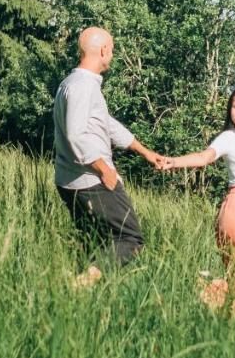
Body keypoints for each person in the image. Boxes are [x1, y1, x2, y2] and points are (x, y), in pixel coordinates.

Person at [55, 27, 164, 264]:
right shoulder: (83, 86)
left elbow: (106, 124)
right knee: (130, 240)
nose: (112, 56)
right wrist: (104, 170)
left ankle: (81, 283)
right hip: (91, 181)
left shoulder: (72, 83)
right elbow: (76, 135)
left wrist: (145, 152)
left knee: (96, 244)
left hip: (71, 180)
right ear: (104, 50)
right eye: (112, 50)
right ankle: (81, 282)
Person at [163, 85, 235, 315]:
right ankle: (216, 313)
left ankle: (209, 309)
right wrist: (174, 162)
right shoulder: (229, 137)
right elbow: (204, 157)